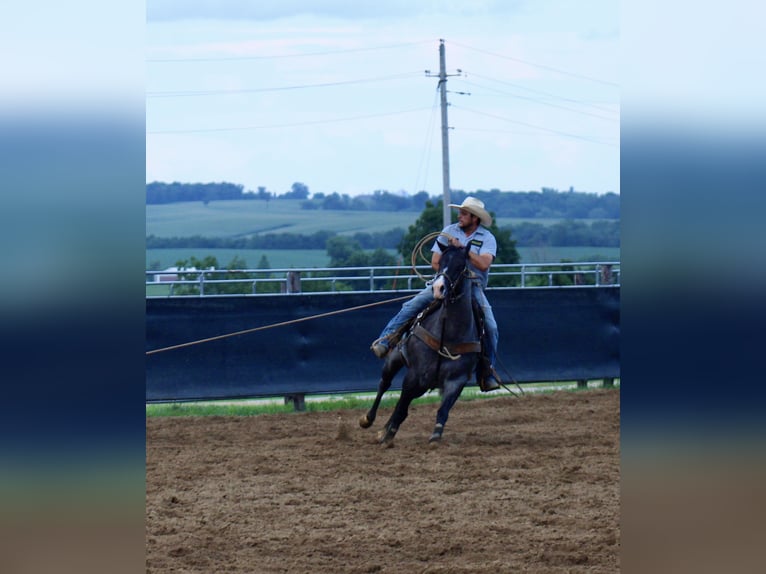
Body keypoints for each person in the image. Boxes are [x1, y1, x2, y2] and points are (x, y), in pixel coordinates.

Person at [370, 196, 501, 392]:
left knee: (490, 326)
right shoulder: (449, 232)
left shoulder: (487, 238)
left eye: (464, 213)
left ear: (475, 218)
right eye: (461, 212)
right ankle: (387, 339)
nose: (460, 216)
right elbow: (435, 262)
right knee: (411, 306)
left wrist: (462, 250)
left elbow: (484, 264)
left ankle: (487, 372)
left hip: (471, 287)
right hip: (445, 282)